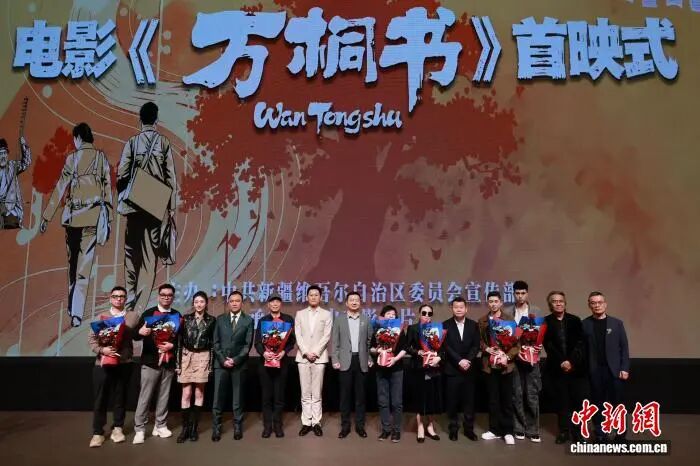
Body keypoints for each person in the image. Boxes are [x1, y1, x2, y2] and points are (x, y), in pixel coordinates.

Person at [40, 123, 112, 327]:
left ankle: (74, 309)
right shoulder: (101, 158)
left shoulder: (72, 159)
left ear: (78, 138)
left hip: (73, 219)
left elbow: (60, 188)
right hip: (92, 218)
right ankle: (77, 312)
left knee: (73, 265)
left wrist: (46, 216)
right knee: (83, 268)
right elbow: (107, 191)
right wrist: (108, 219)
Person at [117, 101, 177, 315]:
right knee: (148, 259)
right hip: (155, 207)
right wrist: (171, 207)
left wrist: (129, 191)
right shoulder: (164, 143)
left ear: (140, 120)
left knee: (130, 255)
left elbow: (122, 173)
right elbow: (171, 178)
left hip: (134, 207)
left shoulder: (132, 143)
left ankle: (129, 302)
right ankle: (139, 309)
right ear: (156, 120)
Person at [87, 286, 138, 447]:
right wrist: (103, 350)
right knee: (100, 399)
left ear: (126, 299)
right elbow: (92, 339)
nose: (119, 299)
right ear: (110, 298)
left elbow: (138, 335)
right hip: (102, 363)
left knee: (120, 397)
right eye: (115, 296)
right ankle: (98, 433)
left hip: (124, 363)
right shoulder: (101, 317)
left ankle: (117, 428)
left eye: (122, 296)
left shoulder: (133, 316)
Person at [132, 283, 182, 444]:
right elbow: (135, 335)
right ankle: (139, 429)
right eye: (163, 295)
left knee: (164, 396)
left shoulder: (177, 314)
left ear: (173, 297)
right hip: (150, 362)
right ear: (158, 296)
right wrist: (140, 332)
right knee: (145, 397)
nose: (166, 297)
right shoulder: (148, 313)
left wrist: (172, 345)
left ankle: (160, 425)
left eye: (169, 295)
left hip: (168, 362)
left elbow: (180, 339)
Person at [582, 291, 630, 442]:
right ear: (589, 305)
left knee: (617, 403)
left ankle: (620, 434)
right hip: (595, 370)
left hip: (614, 371)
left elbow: (624, 347)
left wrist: (624, 368)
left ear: (605, 304)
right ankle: (600, 433)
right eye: (593, 303)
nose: (597, 305)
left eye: (600, 302)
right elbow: (581, 349)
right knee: (597, 403)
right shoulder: (584, 324)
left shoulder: (617, 323)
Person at [542, 291, 587, 444]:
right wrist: (561, 361)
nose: (558, 303)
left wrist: (571, 362)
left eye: (561, 301)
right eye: (554, 301)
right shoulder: (546, 321)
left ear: (565, 303)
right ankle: (564, 431)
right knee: (561, 402)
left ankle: (578, 432)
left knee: (577, 402)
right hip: (556, 368)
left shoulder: (575, 320)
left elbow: (580, 343)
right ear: (550, 304)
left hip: (576, 369)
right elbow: (548, 345)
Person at [211, 290, 254, 441]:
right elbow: (215, 342)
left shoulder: (248, 320)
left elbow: (247, 345)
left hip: (239, 365)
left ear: (242, 303)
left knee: (237, 399)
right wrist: (223, 359)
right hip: (220, 364)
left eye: (237, 301)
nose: (234, 303)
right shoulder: (220, 319)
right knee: (218, 398)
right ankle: (216, 428)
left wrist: (235, 360)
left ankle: (237, 427)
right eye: (232, 301)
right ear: (228, 303)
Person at [478, 291, 519, 445]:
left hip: (506, 366)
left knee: (507, 400)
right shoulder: (482, 321)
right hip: (489, 366)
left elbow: (517, 343)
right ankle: (494, 430)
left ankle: (508, 431)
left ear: (501, 303)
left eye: (496, 301)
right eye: (490, 301)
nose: (493, 304)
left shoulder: (509, 319)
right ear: (487, 303)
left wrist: (507, 356)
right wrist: (487, 349)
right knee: (493, 400)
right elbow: (479, 341)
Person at [331, 292, 373, 439]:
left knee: (360, 397)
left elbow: (370, 342)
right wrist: (335, 359)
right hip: (344, 361)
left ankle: (360, 426)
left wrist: (370, 358)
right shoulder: (339, 319)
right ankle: (345, 427)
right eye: (351, 300)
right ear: (346, 303)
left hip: (361, 361)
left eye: (357, 300)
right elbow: (335, 341)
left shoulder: (366, 319)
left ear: (360, 303)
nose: (354, 302)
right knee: (345, 397)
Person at [176, 291, 215, 443]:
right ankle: (185, 429)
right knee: (186, 394)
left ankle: (194, 429)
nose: (199, 304)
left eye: (202, 301)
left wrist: (210, 366)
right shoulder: (186, 319)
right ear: (193, 303)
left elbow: (212, 345)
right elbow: (179, 342)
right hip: (187, 356)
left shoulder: (212, 320)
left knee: (199, 393)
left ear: (206, 303)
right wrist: (178, 363)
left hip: (203, 356)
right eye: (196, 302)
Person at [254, 295, 295, 438]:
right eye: (272, 302)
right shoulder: (263, 320)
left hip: (281, 362)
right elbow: (257, 342)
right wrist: (264, 353)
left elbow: (292, 341)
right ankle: (267, 426)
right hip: (265, 363)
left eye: (277, 301)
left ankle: (278, 426)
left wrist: (284, 352)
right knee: (266, 397)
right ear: (268, 305)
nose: (275, 304)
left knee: (279, 396)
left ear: (281, 304)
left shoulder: (288, 320)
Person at [507, 280, 543, 442]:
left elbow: (540, 335)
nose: (520, 296)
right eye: (517, 293)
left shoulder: (536, 311)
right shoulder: (507, 312)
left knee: (532, 394)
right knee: (517, 394)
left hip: (532, 359)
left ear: (527, 294)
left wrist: (536, 348)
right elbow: (505, 336)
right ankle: (519, 428)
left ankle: (533, 429)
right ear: (513, 294)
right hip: (514, 359)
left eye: (523, 293)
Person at [294, 285, 332, 437]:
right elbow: (298, 335)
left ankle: (316, 422)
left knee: (316, 392)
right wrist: (305, 352)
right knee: (305, 392)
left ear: (320, 297)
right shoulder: (300, 314)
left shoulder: (327, 314)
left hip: (319, 358)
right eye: (311, 295)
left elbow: (326, 336)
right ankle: (306, 422)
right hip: (303, 357)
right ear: (307, 297)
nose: (314, 297)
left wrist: (315, 353)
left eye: (316, 295)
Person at [442, 296, 479, 442]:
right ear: (452, 309)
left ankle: (469, 429)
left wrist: (468, 360)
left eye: (461, 307)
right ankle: (453, 428)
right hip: (452, 368)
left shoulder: (473, 325)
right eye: (456, 307)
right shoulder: (445, 325)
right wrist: (459, 360)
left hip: (469, 368)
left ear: (466, 309)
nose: (458, 309)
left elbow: (476, 345)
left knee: (469, 401)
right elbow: (446, 346)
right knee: (452, 401)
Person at [406, 304, 443, 443]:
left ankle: (430, 426)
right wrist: (418, 352)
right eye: (424, 313)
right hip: (418, 368)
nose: (427, 316)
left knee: (432, 398)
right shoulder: (413, 328)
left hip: (433, 368)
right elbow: (407, 347)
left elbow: (442, 348)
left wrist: (438, 356)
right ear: (419, 313)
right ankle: (420, 426)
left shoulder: (437, 329)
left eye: (429, 313)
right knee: (420, 398)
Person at [371, 305, 407, 443]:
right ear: (383, 316)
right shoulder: (377, 329)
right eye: (388, 314)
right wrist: (379, 351)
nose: (391, 316)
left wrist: (395, 359)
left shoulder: (400, 330)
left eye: (393, 314)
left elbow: (404, 348)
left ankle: (396, 430)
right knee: (383, 400)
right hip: (381, 368)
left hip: (396, 368)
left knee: (397, 402)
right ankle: (386, 429)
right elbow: (371, 348)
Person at [0, 136, 31, 229]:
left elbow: (26, 162)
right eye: (0, 154)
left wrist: (23, 145)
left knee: (11, 220)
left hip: (12, 211)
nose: (3, 156)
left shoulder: (12, 166)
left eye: (5, 153)